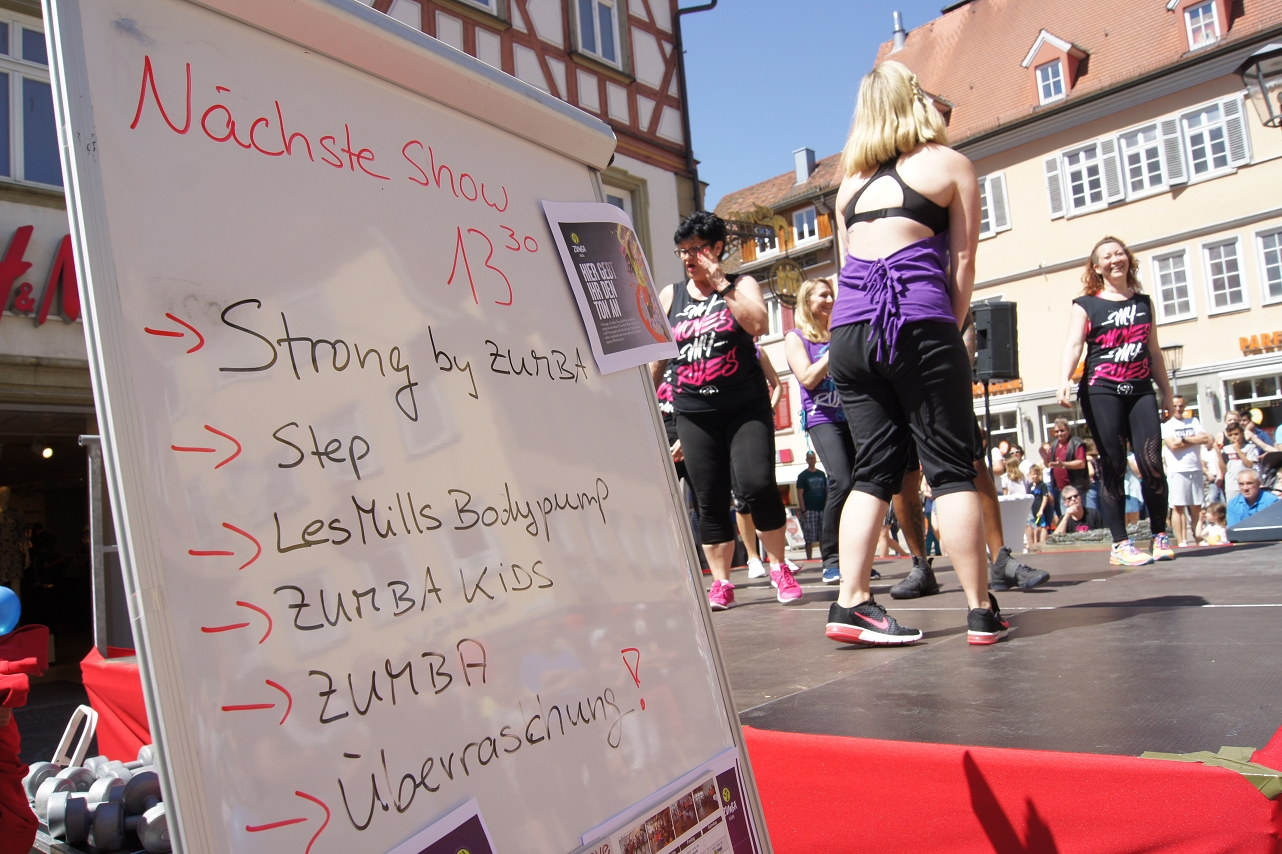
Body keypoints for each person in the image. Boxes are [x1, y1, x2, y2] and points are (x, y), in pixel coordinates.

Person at [823, 60, 1005, 647]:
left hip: (850, 333)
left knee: (871, 470)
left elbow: (847, 265)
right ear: (915, 101)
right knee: (950, 468)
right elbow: (963, 262)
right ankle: (980, 610)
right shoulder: (949, 164)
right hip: (917, 321)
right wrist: (949, 327)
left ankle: (851, 602)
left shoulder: (848, 186)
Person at [654, 210, 802, 610]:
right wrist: (647, 401)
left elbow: (758, 324)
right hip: (693, 411)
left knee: (757, 484)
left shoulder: (741, 284)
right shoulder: (671, 295)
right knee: (708, 497)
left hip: (743, 407)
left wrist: (721, 284)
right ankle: (721, 581)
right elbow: (659, 355)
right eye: (682, 251)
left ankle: (779, 566)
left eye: (696, 249)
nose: (688, 258)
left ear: (717, 247)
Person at [1056, 236, 1175, 567]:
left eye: (1119, 253)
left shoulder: (1143, 303)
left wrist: (1166, 391)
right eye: (1107, 256)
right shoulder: (1086, 304)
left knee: (1151, 461)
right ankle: (1121, 544)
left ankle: (1159, 535)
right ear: (1097, 267)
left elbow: (1154, 351)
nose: (1115, 260)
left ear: (1128, 259)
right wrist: (1064, 379)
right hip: (1101, 389)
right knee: (1114, 464)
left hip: (1140, 388)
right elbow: (1074, 345)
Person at [785, 277, 858, 583]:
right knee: (842, 480)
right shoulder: (797, 338)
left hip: (852, 417)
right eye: (823, 295)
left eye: (832, 295)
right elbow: (808, 378)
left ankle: (855, 558)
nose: (830, 300)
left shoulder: (840, 331)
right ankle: (831, 558)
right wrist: (833, 351)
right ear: (807, 301)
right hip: (822, 418)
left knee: (861, 486)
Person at [1161, 394, 1212, 547]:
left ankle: (1199, 538)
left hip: (1195, 468)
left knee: (1197, 506)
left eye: (1181, 405)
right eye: (1175, 406)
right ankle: (1182, 540)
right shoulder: (1167, 425)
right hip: (1177, 470)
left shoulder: (1194, 421)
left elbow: (1205, 439)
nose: (1178, 408)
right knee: (1178, 506)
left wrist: (1183, 439)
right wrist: (1192, 439)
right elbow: (1172, 445)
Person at [1041, 419, 1090, 517]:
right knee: (1065, 517)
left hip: (1076, 488)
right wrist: (1045, 458)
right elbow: (1049, 465)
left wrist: (1063, 464)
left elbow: (1081, 463)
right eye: (1056, 431)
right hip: (1061, 490)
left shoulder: (1076, 443)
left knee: (1079, 515)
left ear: (1069, 431)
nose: (1059, 433)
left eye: (1062, 431)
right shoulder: (1055, 445)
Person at [1219, 420, 1275, 503]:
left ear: (1242, 434)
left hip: (1247, 482)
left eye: (1236, 434)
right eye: (1230, 435)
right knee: (1233, 504)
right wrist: (1218, 453)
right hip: (1232, 484)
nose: (1233, 437)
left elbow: (1249, 465)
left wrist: (1238, 450)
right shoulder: (1226, 449)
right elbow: (1224, 469)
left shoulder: (1249, 447)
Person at [795, 452, 828, 562]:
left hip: (822, 509)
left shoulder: (821, 474)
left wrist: (827, 506)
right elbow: (800, 494)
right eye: (810, 458)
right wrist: (804, 510)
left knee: (823, 537)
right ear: (806, 460)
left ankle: (824, 558)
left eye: (813, 458)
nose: (812, 460)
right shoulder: (803, 476)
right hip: (809, 510)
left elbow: (826, 491)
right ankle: (809, 559)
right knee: (809, 537)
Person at [0, 488, 24, 597]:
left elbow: (21, 533)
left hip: (13, 551)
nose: (5, 497)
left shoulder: (15, 513)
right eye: (3, 494)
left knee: (15, 581)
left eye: (7, 494)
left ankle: (16, 606)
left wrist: (26, 551)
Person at [1027, 464, 1052, 548]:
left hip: (1040, 509)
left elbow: (1045, 497)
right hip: (1033, 509)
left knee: (1043, 526)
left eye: (1037, 474)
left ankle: (1043, 543)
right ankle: (1035, 544)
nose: (1035, 476)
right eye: (1033, 474)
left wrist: (1041, 510)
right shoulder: (1030, 486)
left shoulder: (1042, 485)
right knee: (1034, 527)